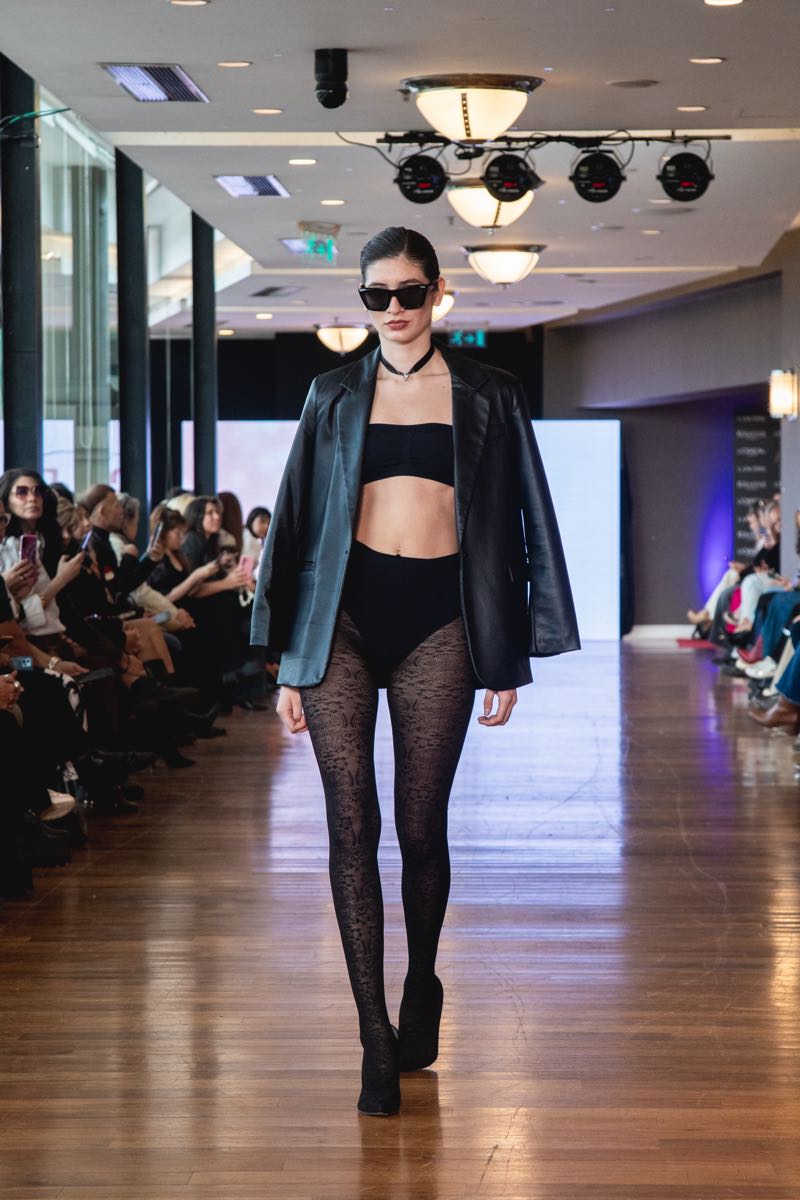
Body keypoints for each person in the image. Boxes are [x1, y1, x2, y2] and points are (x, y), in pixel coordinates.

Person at [251, 226, 579, 1118]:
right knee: (349, 825)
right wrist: (287, 658)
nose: (393, 309)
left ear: (437, 293)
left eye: (408, 292)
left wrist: (511, 648)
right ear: (363, 301)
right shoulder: (331, 392)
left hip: (443, 620)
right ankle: (373, 1034)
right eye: (376, 295)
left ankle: (421, 980)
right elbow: (294, 518)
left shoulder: (490, 392)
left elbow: (529, 515)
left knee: (420, 825)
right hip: (341, 621)